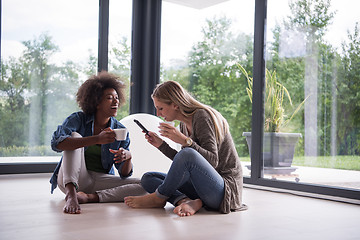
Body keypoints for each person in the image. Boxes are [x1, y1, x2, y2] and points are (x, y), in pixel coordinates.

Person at [124, 80, 247, 216]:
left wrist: (184, 140)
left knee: (187, 154)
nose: (158, 114)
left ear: (175, 105)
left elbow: (212, 161)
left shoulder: (202, 116)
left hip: (225, 191)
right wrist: (161, 145)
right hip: (203, 187)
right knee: (149, 178)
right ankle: (186, 201)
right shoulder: (184, 124)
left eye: (161, 108)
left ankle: (159, 197)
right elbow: (186, 164)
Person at [50, 71, 146, 214]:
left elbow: (124, 174)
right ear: (96, 102)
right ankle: (71, 195)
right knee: (75, 137)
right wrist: (96, 139)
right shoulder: (78, 119)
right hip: (70, 179)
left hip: (98, 181)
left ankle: (89, 197)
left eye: (117, 98)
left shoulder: (120, 129)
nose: (116, 101)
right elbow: (57, 143)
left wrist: (127, 157)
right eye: (109, 98)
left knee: (146, 184)